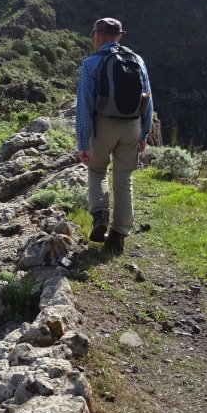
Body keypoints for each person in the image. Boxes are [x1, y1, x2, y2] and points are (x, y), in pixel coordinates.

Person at [75, 18, 153, 254]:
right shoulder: (137, 60)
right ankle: (118, 236)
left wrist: (83, 142)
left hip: (103, 126)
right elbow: (147, 99)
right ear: (119, 37)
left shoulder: (91, 63)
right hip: (131, 126)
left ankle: (100, 216)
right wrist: (144, 134)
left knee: (97, 170)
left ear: (96, 36)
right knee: (124, 179)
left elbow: (84, 105)